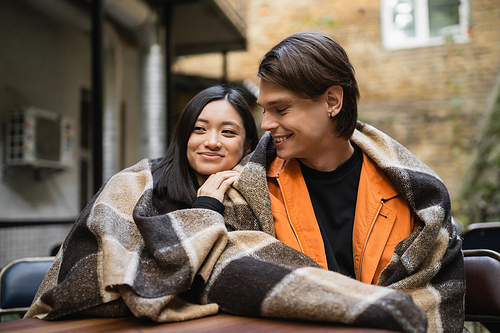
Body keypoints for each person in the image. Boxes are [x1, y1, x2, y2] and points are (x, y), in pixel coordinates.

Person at [243, 31, 465, 332]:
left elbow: (433, 302)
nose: (266, 125)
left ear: (332, 101)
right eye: (264, 110)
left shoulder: (419, 199)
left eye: (281, 109)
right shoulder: (249, 190)